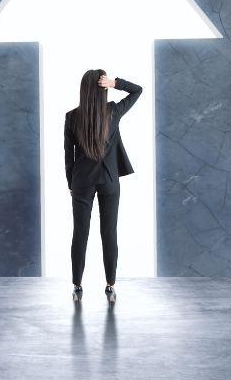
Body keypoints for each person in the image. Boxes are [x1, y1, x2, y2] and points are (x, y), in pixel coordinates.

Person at [64, 70, 142, 303]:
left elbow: (69, 155)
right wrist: (116, 83)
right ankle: (110, 286)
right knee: (109, 233)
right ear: (103, 88)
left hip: (81, 182)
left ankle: (77, 286)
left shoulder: (71, 117)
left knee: (80, 233)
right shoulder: (113, 112)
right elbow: (137, 90)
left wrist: (71, 182)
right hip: (109, 180)